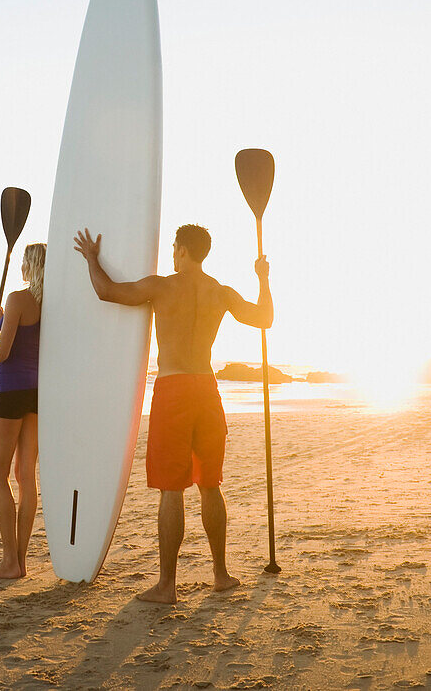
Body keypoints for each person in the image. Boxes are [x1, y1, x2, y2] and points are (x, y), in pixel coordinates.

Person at [73, 223, 272, 604]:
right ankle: (221, 574)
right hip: (207, 390)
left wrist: (92, 259)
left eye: (174, 247)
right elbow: (264, 318)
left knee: (171, 488)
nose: (172, 253)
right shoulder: (221, 292)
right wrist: (263, 279)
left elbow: (107, 291)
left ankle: (167, 585)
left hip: (174, 390)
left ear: (181, 250)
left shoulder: (162, 286)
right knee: (211, 483)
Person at [0, 241, 46, 579]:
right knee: (26, 477)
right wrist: (4, 317)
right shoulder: (52, 304)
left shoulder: (17, 297)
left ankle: (9, 562)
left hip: (9, 393)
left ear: (28, 266)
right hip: (36, 396)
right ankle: (20, 560)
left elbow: (3, 353)